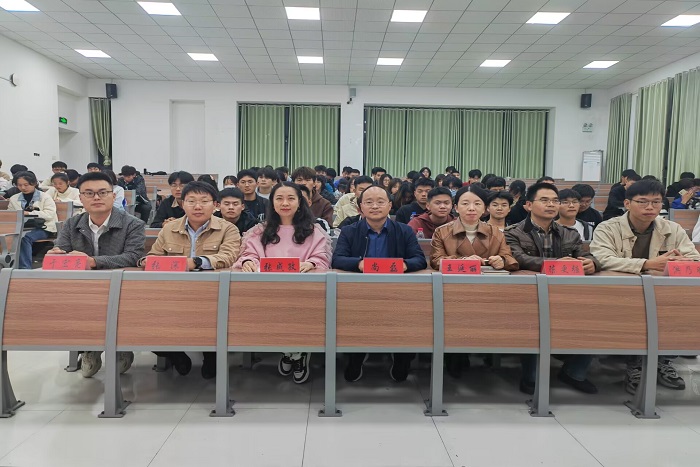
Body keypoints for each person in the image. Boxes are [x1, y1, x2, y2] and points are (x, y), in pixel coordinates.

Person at [590, 179, 700, 394]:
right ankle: (636, 364)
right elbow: (602, 258)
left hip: (662, 295)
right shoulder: (608, 227)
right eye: (642, 202)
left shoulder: (672, 228)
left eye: (656, 202)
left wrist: (681, 262)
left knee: (679, 311)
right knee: (635, 318)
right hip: (620, 294)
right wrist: (647, 264)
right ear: (627, 203)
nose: (650, 207)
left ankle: (663, 361)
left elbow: (694, 258)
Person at [505, 182, 600, 395]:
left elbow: (585, 255)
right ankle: (531, 375)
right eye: (544, 200)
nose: (551, 205)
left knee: (594, 317)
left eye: (555, 201)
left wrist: (592, 263)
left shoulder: (570, 234)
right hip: (530, 295)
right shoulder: (513, 232)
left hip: (568, 294)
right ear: (528, 205)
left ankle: (574, 372)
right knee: (534, 322)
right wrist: (556, 264)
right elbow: (519, 258)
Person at [49, 171, 145, 378]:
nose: (96, 198)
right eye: (89, 193)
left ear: (113, 195)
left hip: (120, 287)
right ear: (80, 197)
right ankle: (89, 348)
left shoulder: (133, 224)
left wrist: (93, 262)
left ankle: (120, 347)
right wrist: (57, 254)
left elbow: (133, 256)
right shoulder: (71, 224)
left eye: (102, 192)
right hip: (82, 289)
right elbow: (62, 249)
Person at [234, 182, 331, 384]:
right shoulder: (260, 230)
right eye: (279, 198)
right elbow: (249, 253)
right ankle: (293, 353)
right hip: (269, 290)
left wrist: (312, 263)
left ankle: (297, 353)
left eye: (291, 198)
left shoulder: (314, 231)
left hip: (304, 290)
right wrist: (248, 261)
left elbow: (322, 257)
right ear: (272, 203)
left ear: (300, 202)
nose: (285, 203)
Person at [144, 181, 241, 379]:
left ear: (215, 205)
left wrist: (195, 262)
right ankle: (176, 354)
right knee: (143, 322)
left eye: (204, 201)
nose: (198, 206)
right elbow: (155, 255)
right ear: (182, 204)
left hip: (212, 293)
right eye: (191, 201)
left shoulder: (228, 228)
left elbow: (228, 257)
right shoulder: (169, 228)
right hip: (172, 293)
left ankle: (211, 357)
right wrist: (147, 261)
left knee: (212, 323)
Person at [332, 186, 427, 382]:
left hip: (398, 294)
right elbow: (337, 259)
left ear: (390, 205)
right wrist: (358, 263)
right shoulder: (349, 231)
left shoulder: (404, 230)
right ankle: (356, 357)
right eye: (369, 202)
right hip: (358, 294)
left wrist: (405, 265)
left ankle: (401, 358)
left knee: (407, 319)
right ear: (360, 207)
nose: (375, 206)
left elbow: (419, 259)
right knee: (352, 319)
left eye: (380, 202)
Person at [9, 171, 58, 269]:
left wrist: (29, 213)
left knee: (24, 238)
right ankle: (11, 266)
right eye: (19, 185)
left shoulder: (45, 197)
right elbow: (10, 215)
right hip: (21, 227)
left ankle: (25, 268)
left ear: (34, 183)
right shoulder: (14, 198)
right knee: (9, 237)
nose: (23, 188)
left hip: (44, 227)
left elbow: (49, 214)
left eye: (26, 185)